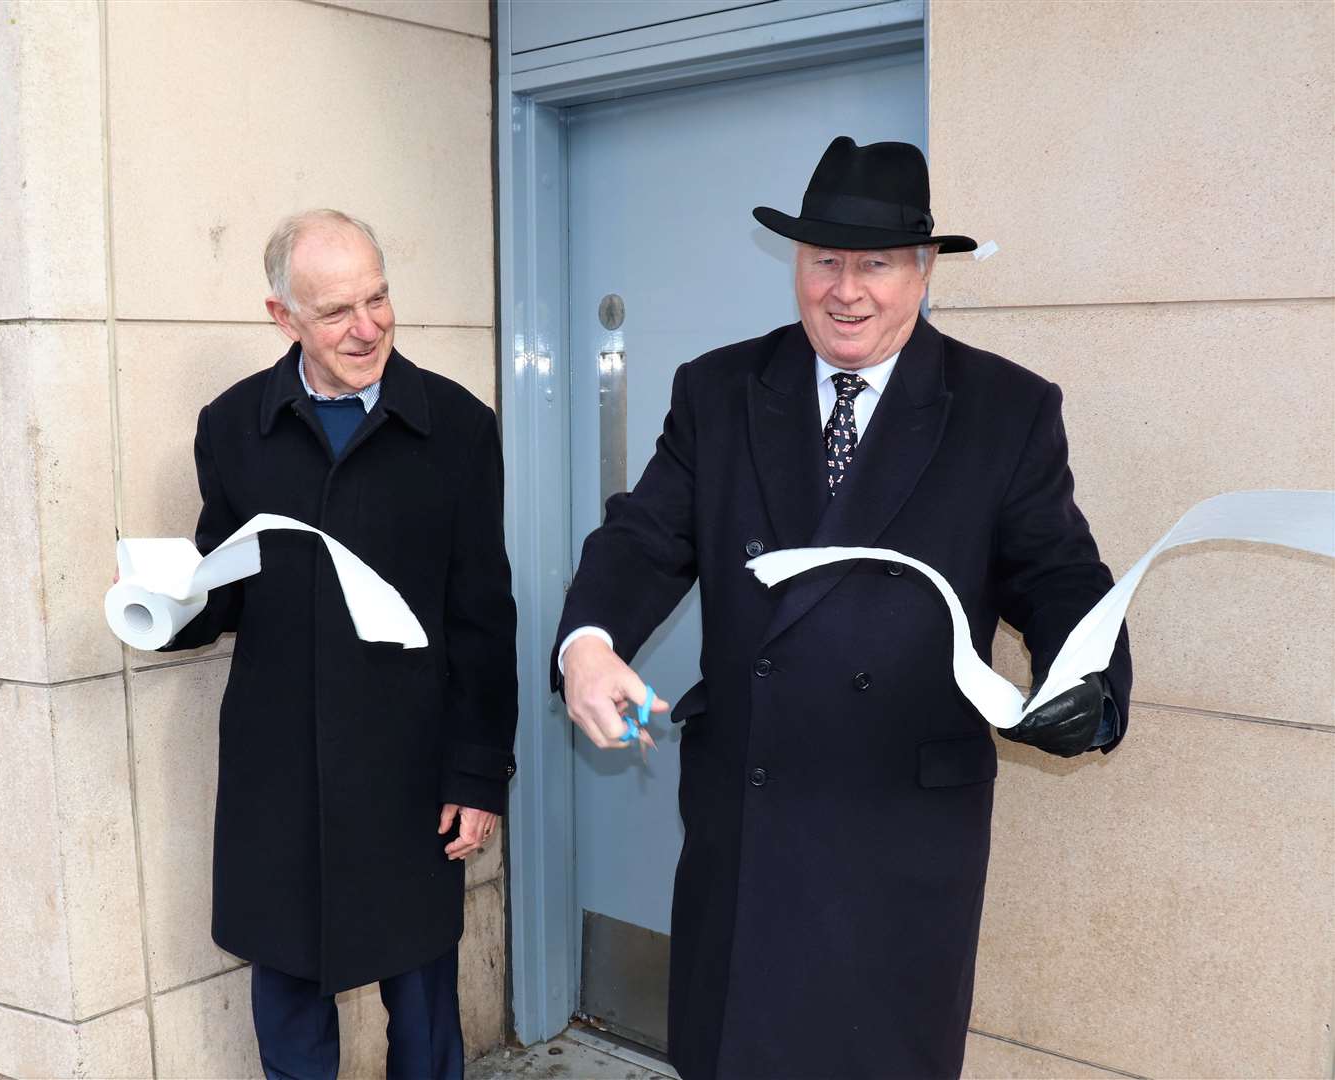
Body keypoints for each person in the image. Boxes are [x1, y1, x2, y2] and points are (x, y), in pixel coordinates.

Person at [553, 137, 1132, 1079]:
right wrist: (587, 640)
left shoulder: (1005, 408)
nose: (847, 290)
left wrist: (1084, 676)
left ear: (923, 269)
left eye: (876, 264)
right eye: (826, 261)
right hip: (751, 814)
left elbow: (1057, 572)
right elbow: (643, 538)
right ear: (797, 263)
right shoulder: (721, 389)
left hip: (901, 829)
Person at [161, 209, 518, 1080]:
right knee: (286, 996)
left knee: (425, 1011)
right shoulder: (233, 425)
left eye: (380, 298)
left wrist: (477, 775)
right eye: (336, 312)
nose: (368, 327)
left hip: (408, 773)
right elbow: (228, 584)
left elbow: (483, 615)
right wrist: (168, 606)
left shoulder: (459, 429)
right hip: (277, 774)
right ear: (283, 318)